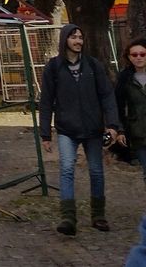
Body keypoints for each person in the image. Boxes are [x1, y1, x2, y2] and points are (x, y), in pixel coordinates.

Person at [39, 24, 120, 235]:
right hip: (67, 128)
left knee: (96, 170)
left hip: (93, 128)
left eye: (80, 37)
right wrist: (45, 133)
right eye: (74, 37)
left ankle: (98, 215)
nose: (78, 41)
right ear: (65, 39)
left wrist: (112, 125)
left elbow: (107, 96)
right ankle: (68, 217)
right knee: (66, 168)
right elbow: (46, 101)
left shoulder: (93, 65)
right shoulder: (54, 67)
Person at [115, 40, 146, 187]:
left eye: (142, 54)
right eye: (134, 54)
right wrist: (120, 129)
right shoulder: (124, 78)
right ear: (129, 57)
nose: (138, 57)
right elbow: (119, 106)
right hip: (138, 133)